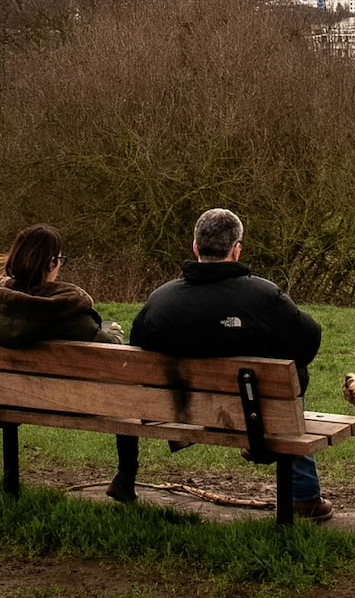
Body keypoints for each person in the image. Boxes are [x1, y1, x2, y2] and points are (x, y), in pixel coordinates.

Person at [130, 209, 330, 520]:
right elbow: (308, 343)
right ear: (236, 249)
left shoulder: (160, 301)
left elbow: (138, 347)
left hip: (182, 410)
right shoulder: (264, 296)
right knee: (290, 379)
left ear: (196, 247)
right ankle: (304, 496)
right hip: (259, 414)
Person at [0, 225, 139, 502]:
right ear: (51, 262)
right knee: (125, 393)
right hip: (76, 402)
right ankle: (126, 477)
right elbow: (109, 351)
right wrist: (111, 331)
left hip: (10, 399)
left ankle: (10, 484)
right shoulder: (68, 313)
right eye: (60, 260)